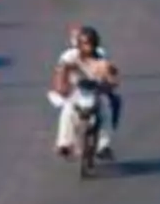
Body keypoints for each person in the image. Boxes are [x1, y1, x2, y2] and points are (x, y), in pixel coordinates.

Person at [50, 25, 118, 158]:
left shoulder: (101, 56)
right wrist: (61, 87)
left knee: (106, 109)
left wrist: (110, 84)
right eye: (86, 44)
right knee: (68, 109)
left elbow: (111, 73)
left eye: (91, 44)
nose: (89, 47)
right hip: (76, 89)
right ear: (79, 44)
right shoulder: (70, 57)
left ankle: (104, 146)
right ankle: (64, 143)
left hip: (96, 89)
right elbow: (60, 72)